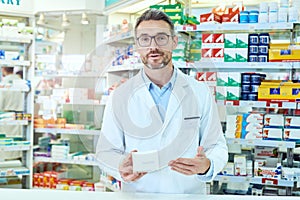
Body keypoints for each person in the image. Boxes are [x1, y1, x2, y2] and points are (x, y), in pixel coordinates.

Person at [96, 9, 228, 194]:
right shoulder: (120, 96)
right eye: (145, 39)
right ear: (136, 46)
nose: (153, 46)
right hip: (139, 195)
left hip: (187, 195)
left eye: (161, 38)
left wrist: (207, 165)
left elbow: (216, 146)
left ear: (174, 42)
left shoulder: (200, 91)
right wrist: (120, 166)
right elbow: (104, 152)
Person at [0, 66, 24, 160]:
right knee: (17, 148)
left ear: (3, 69)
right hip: (20, 117)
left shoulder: (3, 83)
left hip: (6, 118)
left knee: (6, 150)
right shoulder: (22, 82)